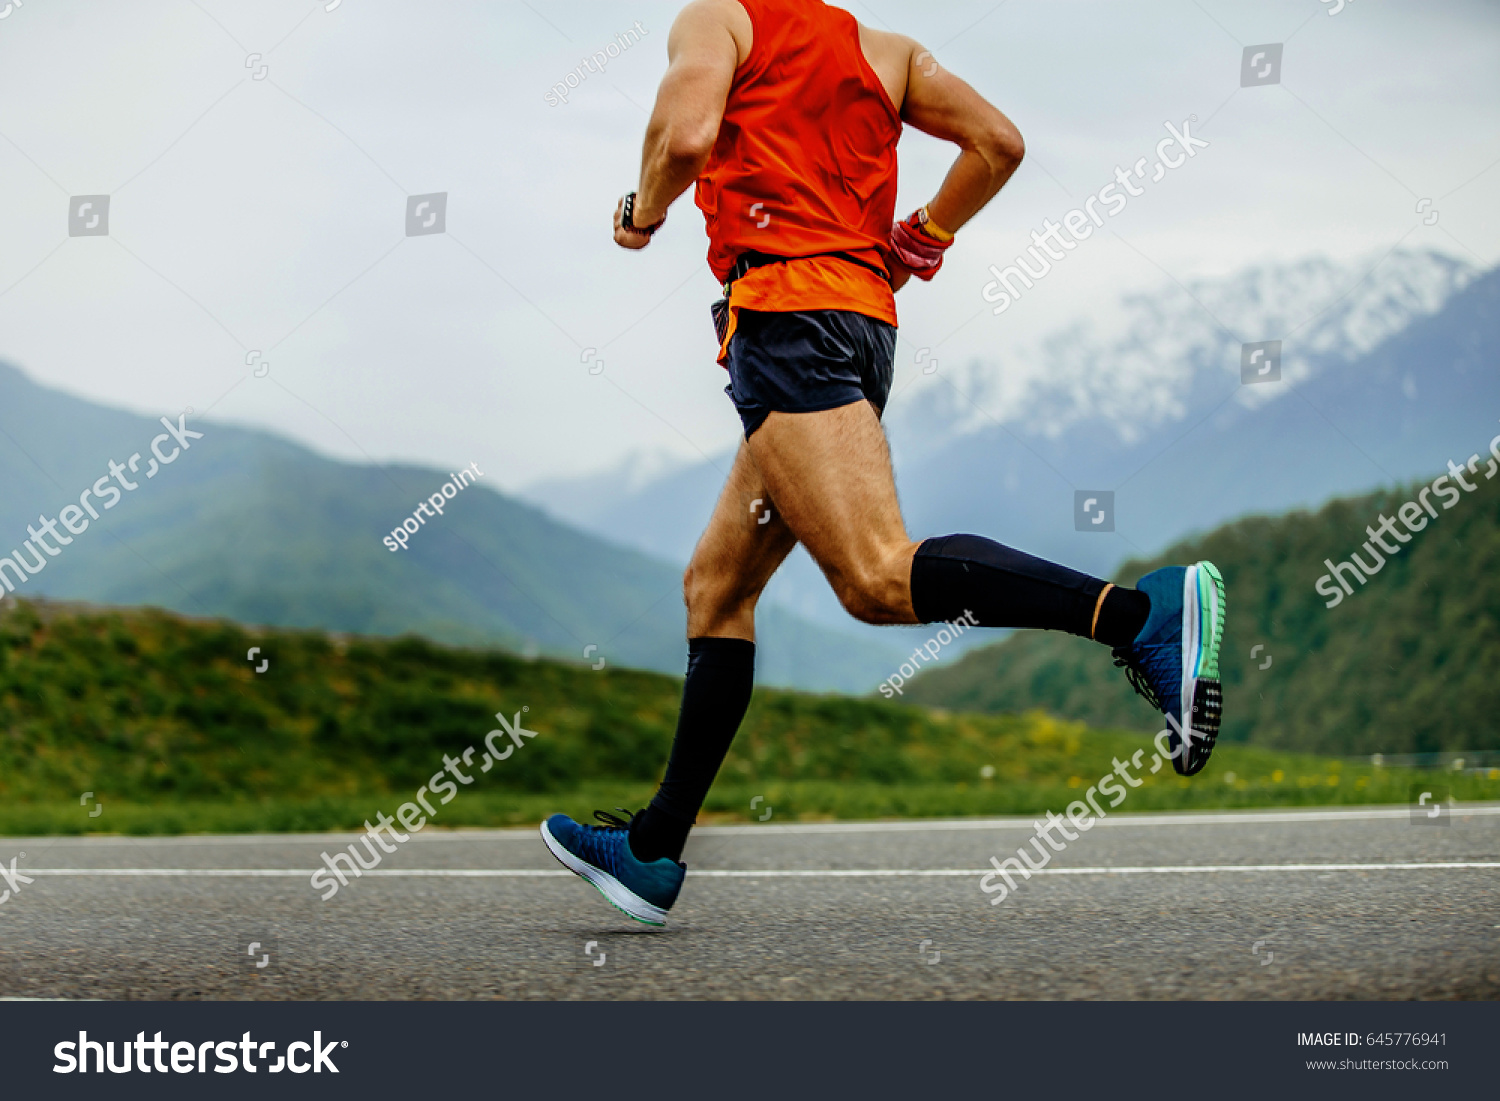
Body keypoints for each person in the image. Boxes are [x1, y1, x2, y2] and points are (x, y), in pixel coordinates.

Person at [541, 0, 1225, 926]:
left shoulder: (718, 21)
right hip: (863, 325)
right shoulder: (887, 50)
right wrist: (925, 237)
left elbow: (687, 134)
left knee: (873, 576)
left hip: (787, 326)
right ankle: (655, 850)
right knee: (716, 586)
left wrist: (641, 213)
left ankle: (1143, 614)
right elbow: (999, 144)